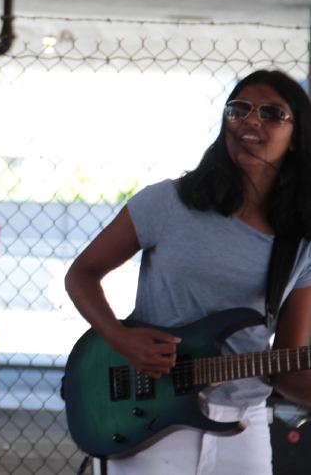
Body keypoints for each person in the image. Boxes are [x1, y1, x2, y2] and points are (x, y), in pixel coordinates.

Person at [64, 69, 311, 474]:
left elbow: (288, 367)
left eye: (271, 113)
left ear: (297, 136)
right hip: (150, 416)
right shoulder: (169, 202)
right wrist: (120, 338)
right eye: (239, 109)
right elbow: (82, 274)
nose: (250, 120)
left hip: (243, 424)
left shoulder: (299, 241)